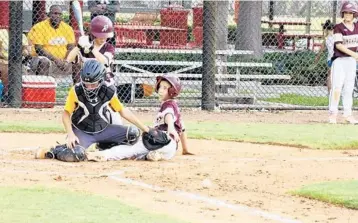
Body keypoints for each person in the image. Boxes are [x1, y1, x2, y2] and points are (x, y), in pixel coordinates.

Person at [35, 60, 151, 162]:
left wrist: (145, 129)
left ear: (101, 80)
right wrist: (71, 134)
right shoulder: (76, 91)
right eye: (86, 84)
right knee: (76, 155)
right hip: (82, 131)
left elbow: (122, 111)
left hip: (104, 129)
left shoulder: (108, 91)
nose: (89, 88)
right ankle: (52, 151)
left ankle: (104, 147)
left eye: (93, 84)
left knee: (133, 134)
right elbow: (66, 114)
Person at [86, 74, 194, 162]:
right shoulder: (176, 108)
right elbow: (182, 129)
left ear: (172, 92)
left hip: (161, 140)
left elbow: (168, 116)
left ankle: (103, 155)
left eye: (165, 88)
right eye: (160, 86)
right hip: (170, 150)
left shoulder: (169, 105)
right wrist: (185, 149)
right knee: (145, 150)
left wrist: (170, 128)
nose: (160, 90)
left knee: (131, 149)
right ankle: (150, 156)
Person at [329, 1, 358, 124]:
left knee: (349, 88)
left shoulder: (357, 27)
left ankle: (347, 114)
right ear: (342, 13)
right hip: (340, 61)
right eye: (345, 12)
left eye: (350, 13)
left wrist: (354, 56)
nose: (348, 15)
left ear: (354, 14)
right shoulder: (338, 27)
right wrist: (354, 54)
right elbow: (339, 45)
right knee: (337, 87)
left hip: (351, 62)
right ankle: (333, 113)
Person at [27, 5, 75, 77]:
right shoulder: (39, 27)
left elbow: (71, 47)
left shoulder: (67, 28)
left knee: (78, 59)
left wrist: (66, 61)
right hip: (42, 59)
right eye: (55, 13)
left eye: (60, 14)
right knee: (44, 61)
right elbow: (39, 49)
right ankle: (43, 86)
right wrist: (56, 60)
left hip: (64, 60)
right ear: (49, 14)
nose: (58, 16)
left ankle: (76, 86)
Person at [66, 15, 115, 84]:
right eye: (100, 36)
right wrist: (78, 46)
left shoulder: (109, 47)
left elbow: (104, 62)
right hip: (87, 82)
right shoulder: (85, 46)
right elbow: (69, 59)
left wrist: (91, 47)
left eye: (105, 36)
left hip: (105, 82)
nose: (103, 39)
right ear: (94, 34)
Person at [314, 19, 335, 94]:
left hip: (331, 59)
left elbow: (320, 51)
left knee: (329, 76)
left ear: (326, 30)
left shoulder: (326, 39)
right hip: (339, 58)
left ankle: (330, 92)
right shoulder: (338, 37)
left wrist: (316, 59)